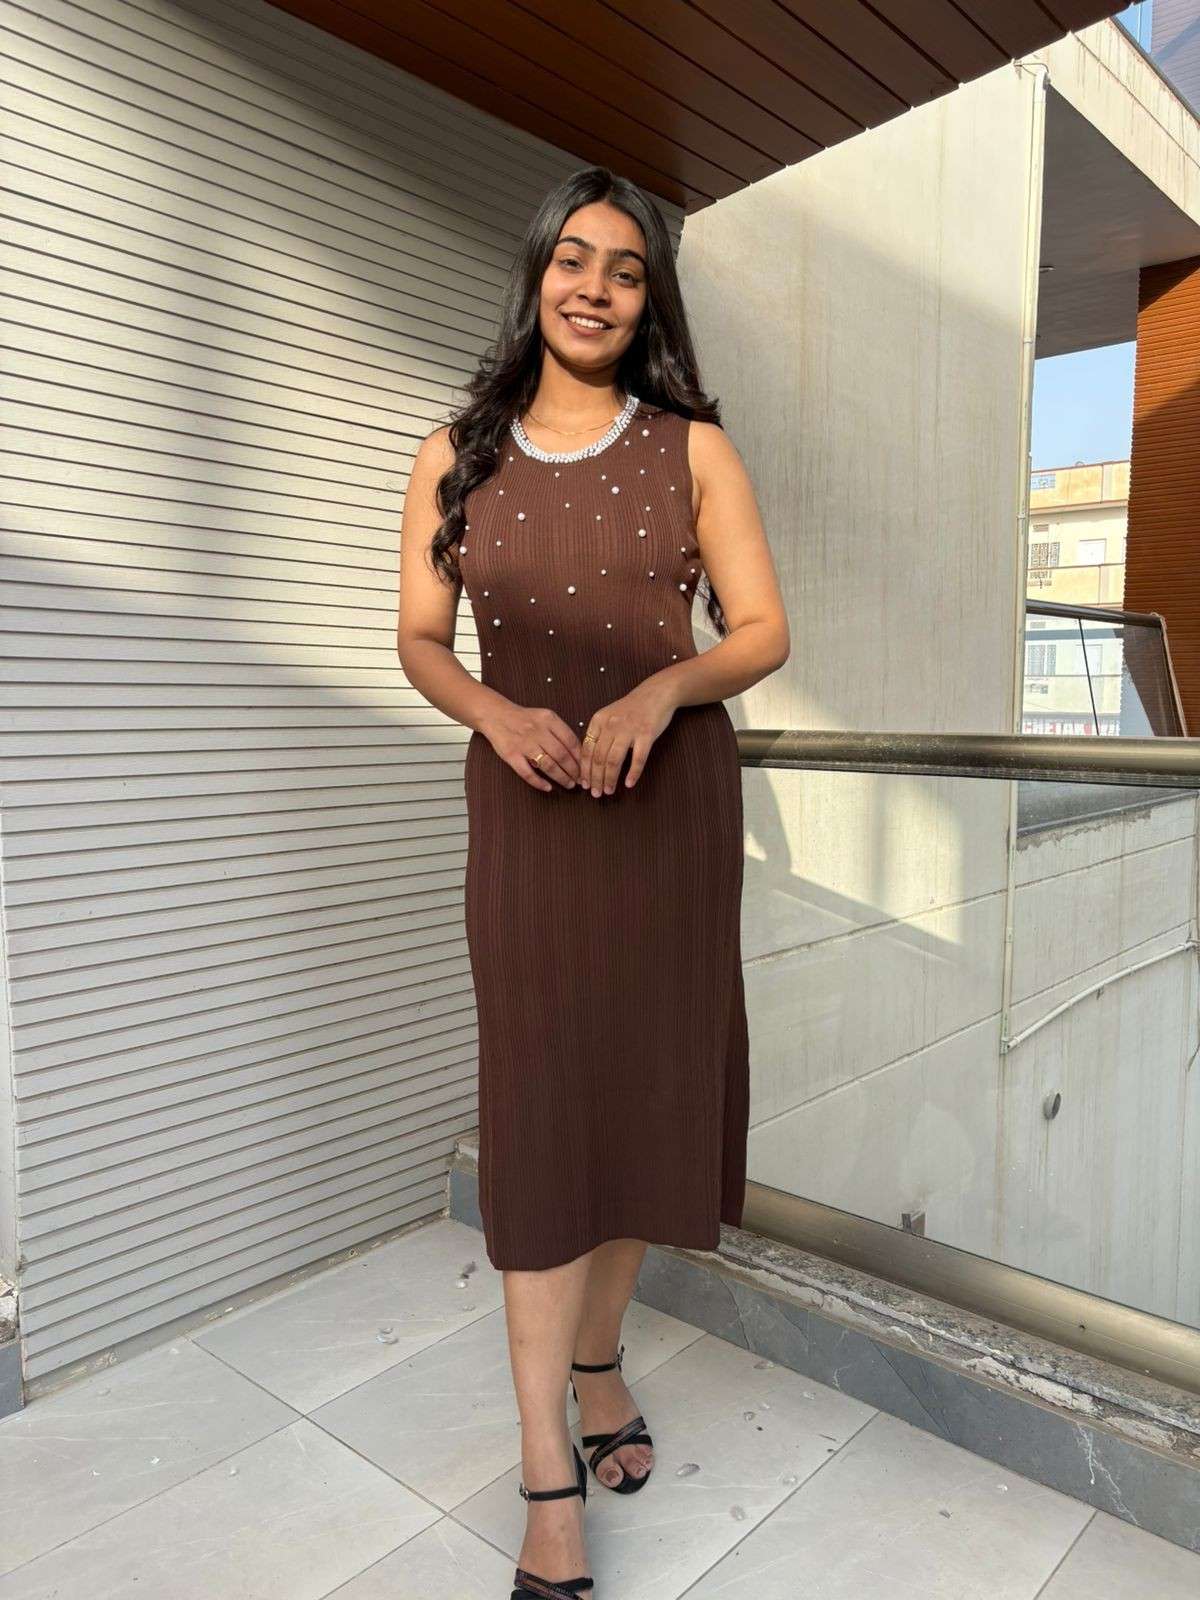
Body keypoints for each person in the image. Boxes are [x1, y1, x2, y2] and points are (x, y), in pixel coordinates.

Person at [396, 165, 789, 1600]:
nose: (596, 288)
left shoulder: (694, 449)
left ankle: (602, 1361)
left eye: (627, 270)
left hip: (667, 818)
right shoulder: (454, 454)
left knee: (640, 1107)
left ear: (649, 301)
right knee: (542, 1119)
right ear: (536, 273)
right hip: (531, 820)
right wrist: (495, 715)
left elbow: (761, 630)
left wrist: (663, 691)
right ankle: (544, 1471)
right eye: (575, 259)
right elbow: (421, 638)